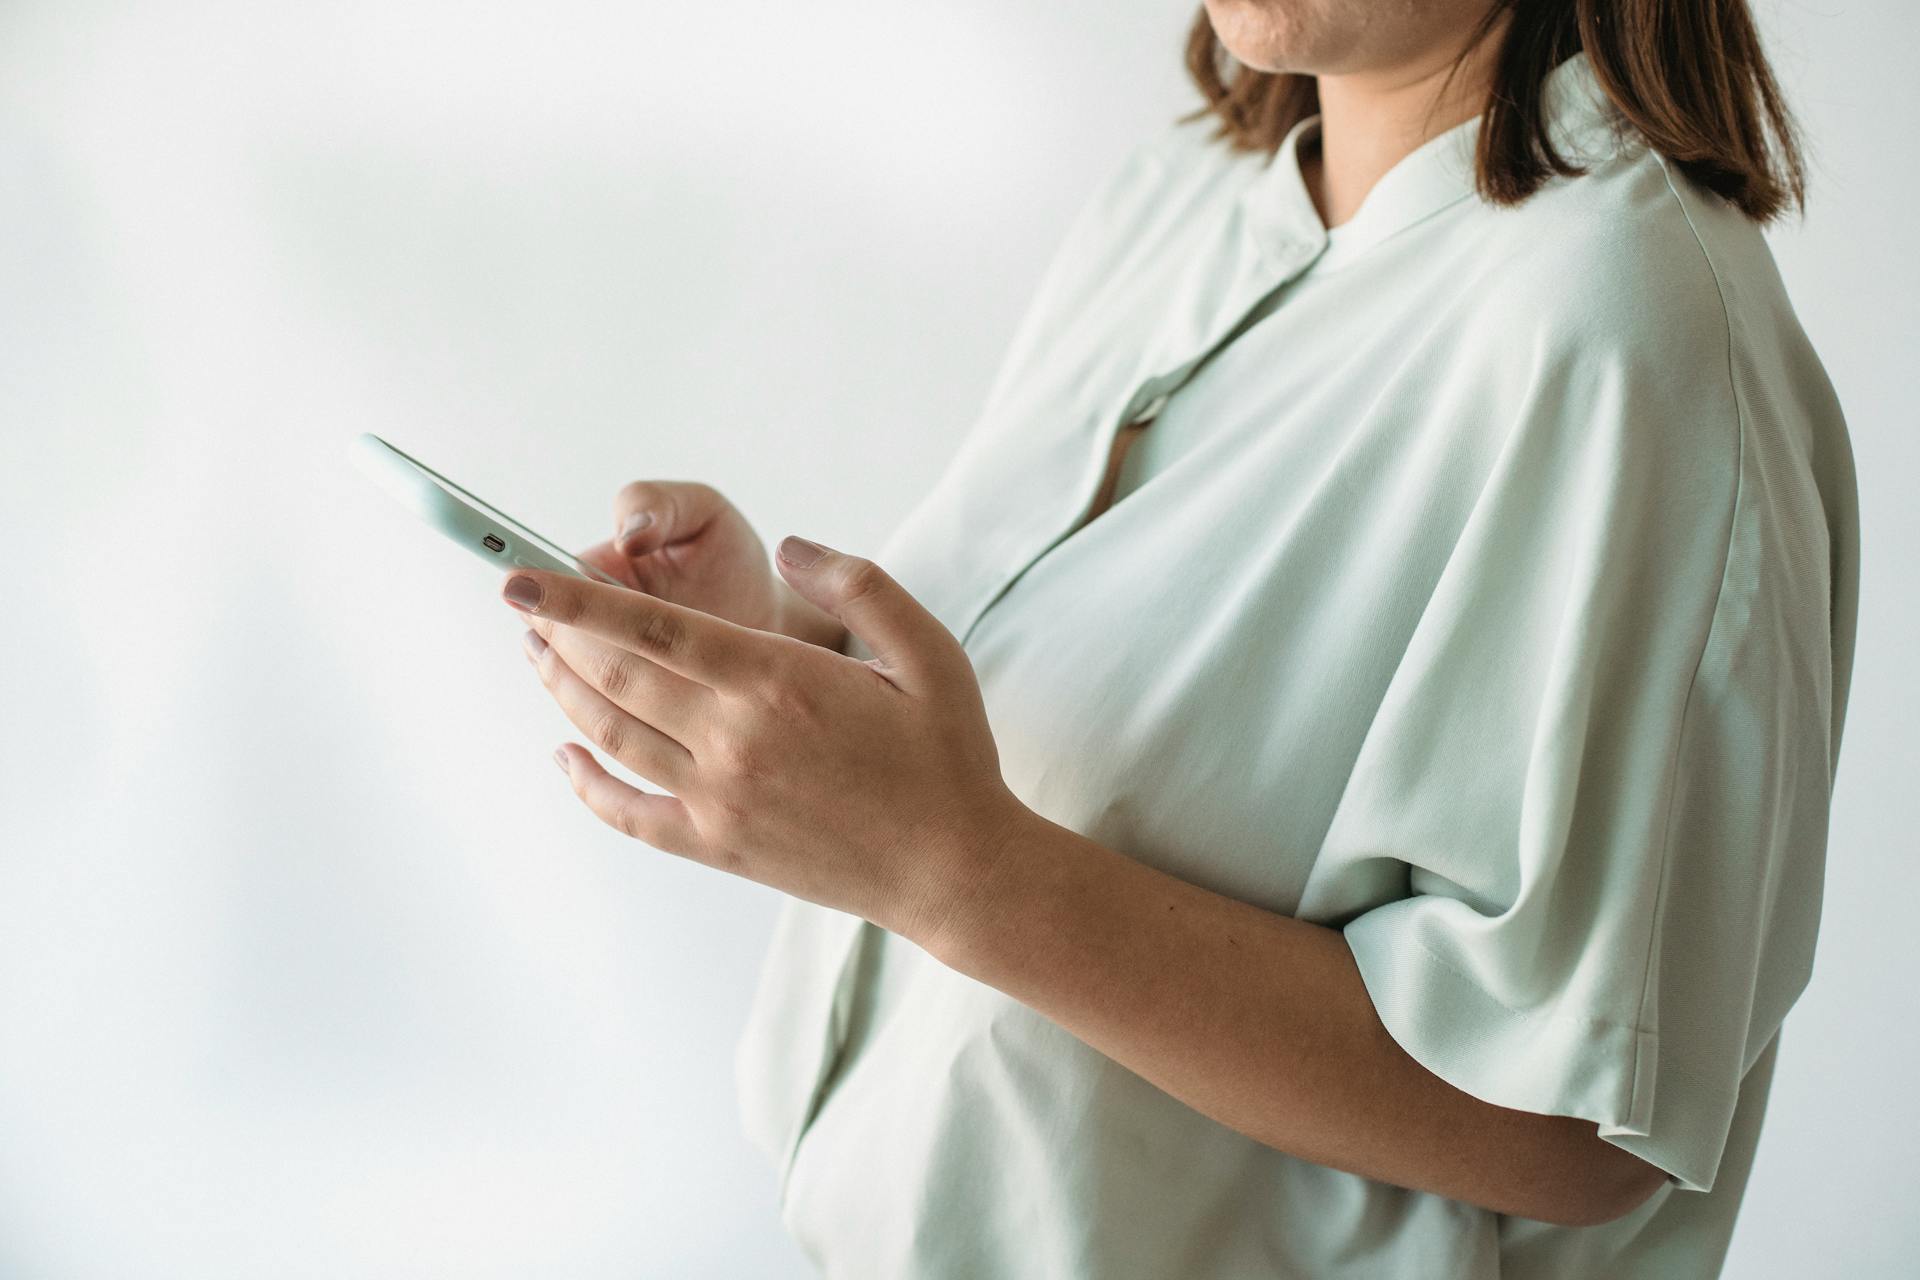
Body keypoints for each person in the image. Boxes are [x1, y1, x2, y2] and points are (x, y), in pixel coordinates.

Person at [500, 0, 1859, 1275]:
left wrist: (954, 871)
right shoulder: (1187, 198)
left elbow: (1572, 1126)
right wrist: (788, 651)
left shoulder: (1629, 334)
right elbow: (1128, 749)